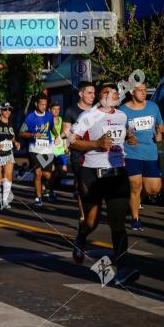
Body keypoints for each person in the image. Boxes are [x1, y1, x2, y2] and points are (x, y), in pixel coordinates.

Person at [69, 83, 139, 286]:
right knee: (92, 222)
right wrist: (95, 144)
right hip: (92, 173)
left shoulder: (122, 116)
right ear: (100, 97)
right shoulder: (88, 116)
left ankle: (122, 269)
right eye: (106, 93)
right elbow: (72, 141)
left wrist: (130, 137)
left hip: (117, 173)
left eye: (114, 93)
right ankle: (81, 237)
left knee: (118, 223)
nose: (111, 96)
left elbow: (123, 134)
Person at [120, 82, 164, 230]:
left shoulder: (153, 106)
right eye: (140, 90)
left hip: (150, 153)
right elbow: (118, 133)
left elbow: (160, 126)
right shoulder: (123, 111)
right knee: (135, 185)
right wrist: (127, 136)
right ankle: (135, 219)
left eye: (145, 90)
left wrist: (159, 134)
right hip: (131, 153)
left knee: (154, 189)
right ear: (132, 92)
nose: (144, 93)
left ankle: (133, 199)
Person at [62, 81, 96, 226]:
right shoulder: (71, 111)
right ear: (81, 94)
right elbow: (65, 133)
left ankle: (93, 211)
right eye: (89, 93)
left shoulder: (98, 110)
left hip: (97, 154)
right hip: (79, 155)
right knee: (84, 186)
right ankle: (84, 216)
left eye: (94, 93)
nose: (93, 96)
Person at [19, 94, 58, 207]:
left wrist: (56, 135)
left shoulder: (49, 116)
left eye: (45, 105)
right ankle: (38, 197)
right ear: (36, 104)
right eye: (42, 104)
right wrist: (33, 134)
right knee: (37, 173)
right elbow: (21, 133)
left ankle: (49, 191)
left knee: (47, 175)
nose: (44, 106)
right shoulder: (30, 117)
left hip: (47, 149)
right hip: (34, 149)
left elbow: (51, 127)